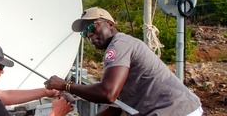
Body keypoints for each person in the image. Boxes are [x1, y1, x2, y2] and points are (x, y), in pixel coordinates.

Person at [44, 7, 203, 116]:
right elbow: (115, 106)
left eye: (92, 27)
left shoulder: (119, 45)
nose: (89, 35)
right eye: (85, 33)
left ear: (110, 24)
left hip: (177, 111)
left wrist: (66, 86)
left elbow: (107, 94)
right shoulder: (120, 49)